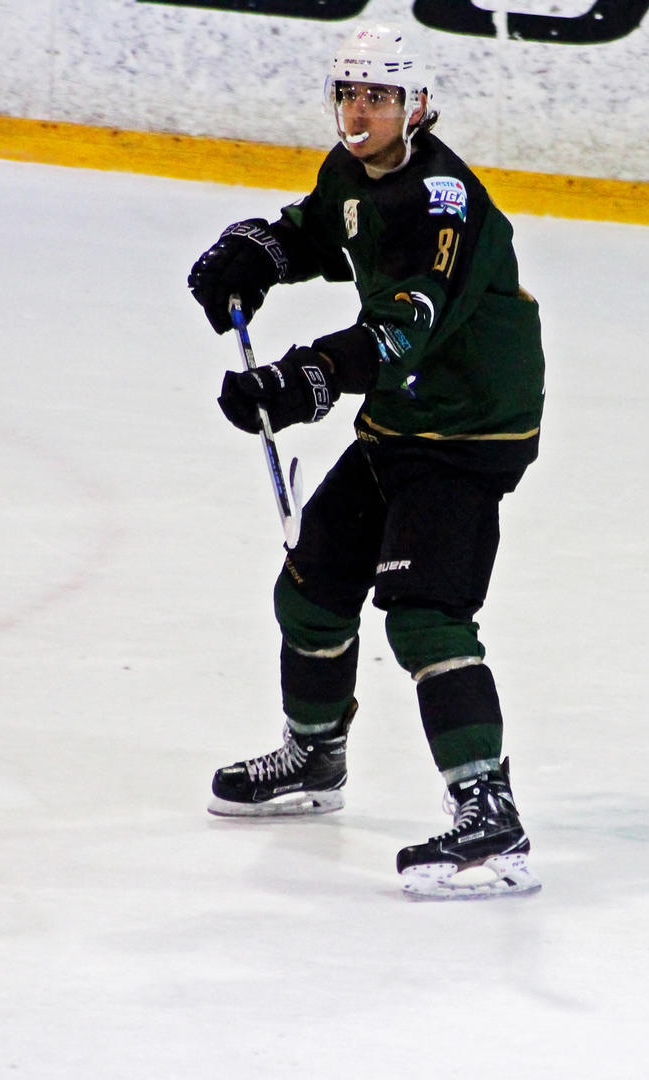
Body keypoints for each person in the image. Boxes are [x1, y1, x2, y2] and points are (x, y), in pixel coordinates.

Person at [185, 24, 545, 900]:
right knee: (310, 589)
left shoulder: (441, 202)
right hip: (401, 419)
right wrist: (259, 253)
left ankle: (491, 819)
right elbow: (320, 231)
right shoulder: (351, 171)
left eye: (378, 96)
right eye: (349, 92)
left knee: (425, 617)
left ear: (415, 107)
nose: (359, 110)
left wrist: (304, 379)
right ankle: (315, 757)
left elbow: (400, 330)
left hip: (470, 430)